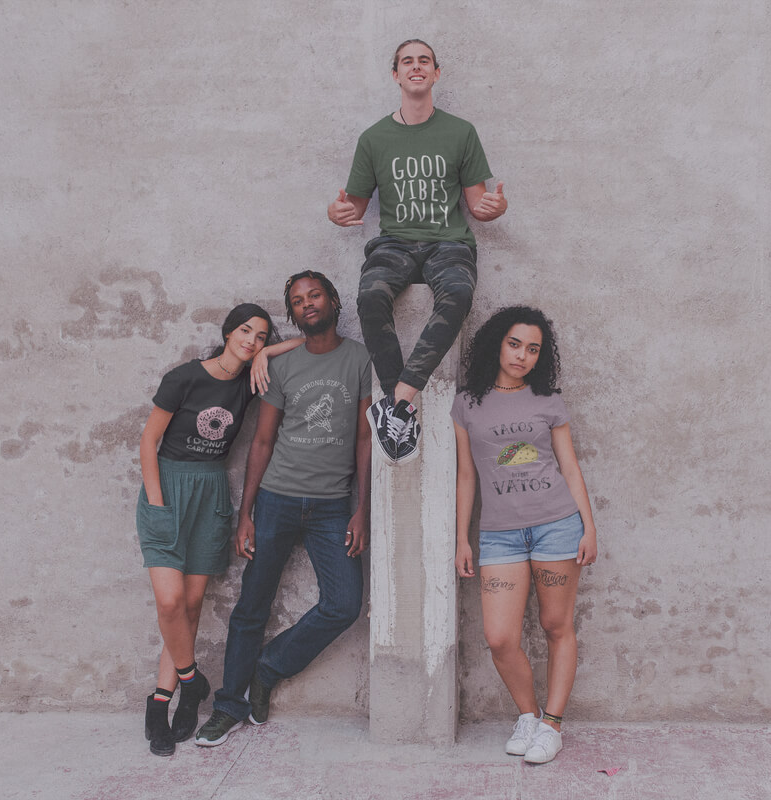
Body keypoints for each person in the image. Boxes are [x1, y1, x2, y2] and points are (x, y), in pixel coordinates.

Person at [195, 271, 372, 747]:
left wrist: (362, 510)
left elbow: (363, 437)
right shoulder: (280, 365)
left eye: (315, 295)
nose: (307, 304)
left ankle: (267, 669)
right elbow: (263, 439)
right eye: (297, 301)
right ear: (291, 315)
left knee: (344, 604)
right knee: (251, 606)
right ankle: (229, 704)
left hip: (334, 506)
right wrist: (246, 512)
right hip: (276, 500)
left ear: (334, 300)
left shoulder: (359, 358)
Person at [328, 38, 507, 465]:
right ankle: (399, 404)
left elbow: (479, 205)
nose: (416, 67)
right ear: (396, 74)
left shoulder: (460, 131)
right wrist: (337, 213)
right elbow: (352, 205)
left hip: (449, 242)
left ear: (435, 73)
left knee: (460, 294)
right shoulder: (374, 138)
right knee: (370, 295)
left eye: (424, 60)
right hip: (394, 242)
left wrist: (493, 208)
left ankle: (398, 401)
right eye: (407, 61)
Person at [137, 303, 302, 756]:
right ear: (228, 332)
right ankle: (192, 682)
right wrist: (157, 503)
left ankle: (162, 703)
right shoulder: (185, 377)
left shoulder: (251, 382)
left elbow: (309, 340)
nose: (251, 340)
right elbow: (149, 441)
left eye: (261, 337)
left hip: (210, 493)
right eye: (245, 331)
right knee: (170, 602)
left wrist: (267, 355)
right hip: (167, 489)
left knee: (190, 607)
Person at [451, 307, 597, 764]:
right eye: (515, 344)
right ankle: (529, 716)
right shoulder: (466, 404)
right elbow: (466, 476)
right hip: (500, 535)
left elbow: (569, 467)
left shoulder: (548, 401)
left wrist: (588, 526)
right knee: (499, 637)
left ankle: (552, 725)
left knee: (557, 627)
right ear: (498, 343)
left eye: (533, 349)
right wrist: (462, 539)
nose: (522, 355)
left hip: (557, 525)